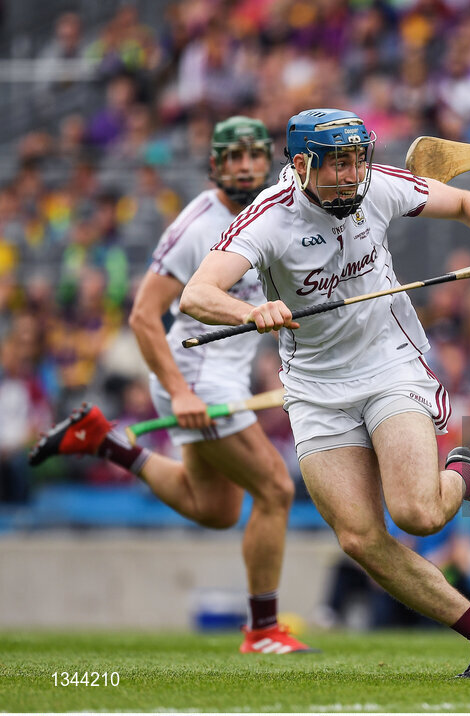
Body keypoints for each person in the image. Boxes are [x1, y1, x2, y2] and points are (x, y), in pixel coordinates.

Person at [178, 108, 470, 678]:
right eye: (337, 164)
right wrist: (252, 309)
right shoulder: (268, 220)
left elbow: (469, 202)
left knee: (417, 513)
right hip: (316, 390)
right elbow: (198, 295)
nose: (351, 175)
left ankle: (467, 476)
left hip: (390, 366)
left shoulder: (379, 186)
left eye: (356, 160)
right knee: (359, 538)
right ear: (301, 165)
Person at [29, 117, 315, 655]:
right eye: (233, 157)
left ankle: (106, 442)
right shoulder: (195, 226)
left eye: (255, 154)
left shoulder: (278, 208)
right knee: (276, 489)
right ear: (215, 165)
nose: (246, 165)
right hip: (198, 377)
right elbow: (143, 316)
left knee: (217, 509)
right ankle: (263, 631)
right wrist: (180, 392)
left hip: (219, 376)